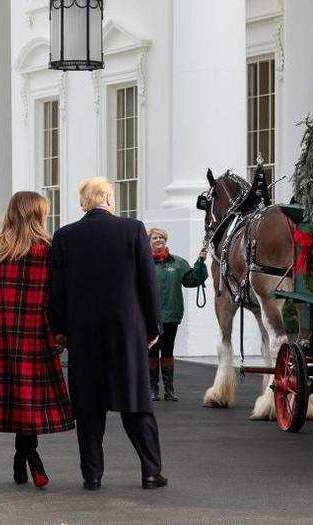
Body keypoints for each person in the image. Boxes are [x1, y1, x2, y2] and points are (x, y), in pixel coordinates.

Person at [49, 177, 167, 491]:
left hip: (83, 332)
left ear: (83, 203)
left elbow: (56, 291)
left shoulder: (64, 237)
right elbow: (148, 283)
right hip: (127, 331)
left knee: (88, 407)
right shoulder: (133, 230)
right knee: (136, 402)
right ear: (109, 199)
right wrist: (154, 326)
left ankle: (92, 475)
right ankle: (151, 471)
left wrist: (59, 330)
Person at [0, 191, 74, 489]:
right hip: (35, 334)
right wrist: (62, 332)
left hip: (1, 335)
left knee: (18, 398)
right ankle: (32, 459)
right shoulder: (47, 248)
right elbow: (56, 296)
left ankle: (21, 458)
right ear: (36, 214)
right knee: (29, 398)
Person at [148, 228, 208, 401]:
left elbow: (191, 280)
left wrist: (200, 262)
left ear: (166, 241)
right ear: (149, 242)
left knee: (167, 351)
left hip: (171, 315)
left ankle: (169, 390)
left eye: (161, 237)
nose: (158, 240)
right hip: (150, 316)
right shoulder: (143, 263)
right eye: (154, 237)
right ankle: (153, 389)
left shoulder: (178, 263)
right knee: (152, 352)